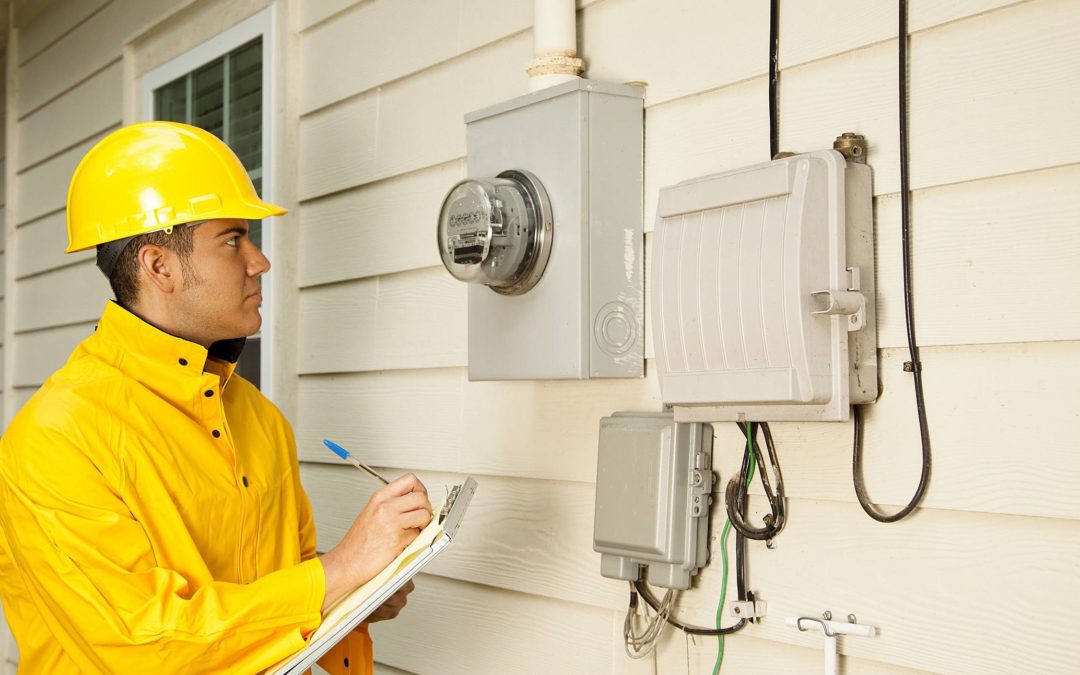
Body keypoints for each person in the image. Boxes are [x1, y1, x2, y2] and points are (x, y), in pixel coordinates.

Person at [0, 121, 431, 674]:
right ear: (159, 266)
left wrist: (357, 595)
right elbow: (141, 645)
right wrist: (339, 573)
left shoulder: (256, 416)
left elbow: (279, 580)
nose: (259, 261)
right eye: (232, 240)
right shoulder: (57, 438)